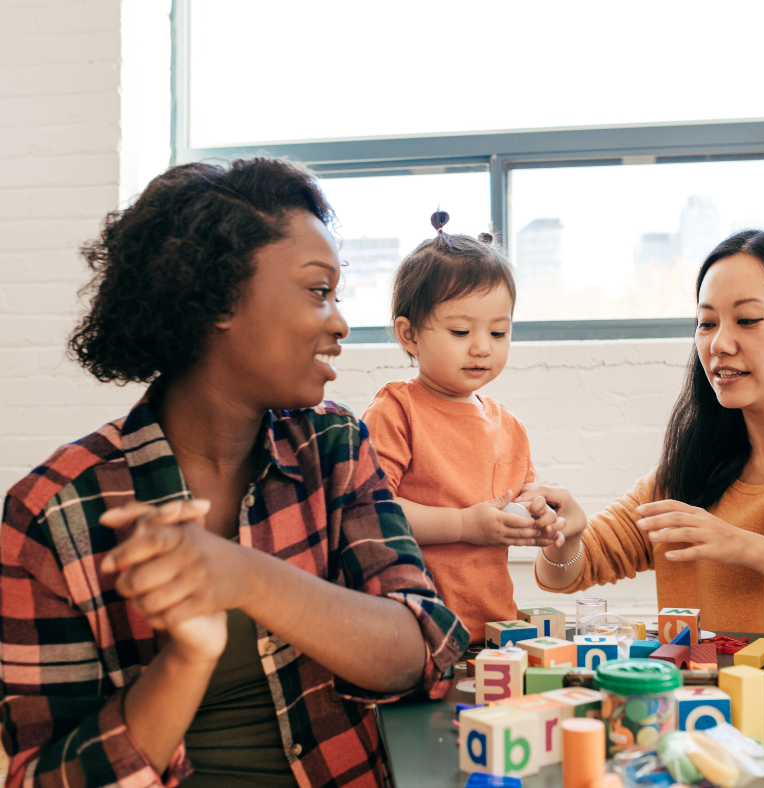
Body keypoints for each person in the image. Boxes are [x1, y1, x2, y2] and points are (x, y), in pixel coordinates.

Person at [0, 159, 469, 788]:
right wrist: (188, 658)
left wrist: (247, 578)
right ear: (219, 299)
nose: (339, 323)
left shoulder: (332, 447)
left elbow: (423, 650)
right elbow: (41, 778)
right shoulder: (53, 515)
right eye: (317, 291)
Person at [522, 230, 764, 635]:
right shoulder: (697, 461)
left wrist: (747, 547)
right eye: (706, 323)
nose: (719, 343)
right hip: (709, 697)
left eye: (747, 320)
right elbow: (565, 575)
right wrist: (564, 537)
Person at [362, 211, 562, 643]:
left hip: (494, 629)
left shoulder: (509, 427)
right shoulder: (396, 411)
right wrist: (465, 525)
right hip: (414, 632)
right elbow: (370, 515)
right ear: (409, 335)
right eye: (459, 330)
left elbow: (523, 503)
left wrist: (540, 516)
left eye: (498, 332)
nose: (481, 347)